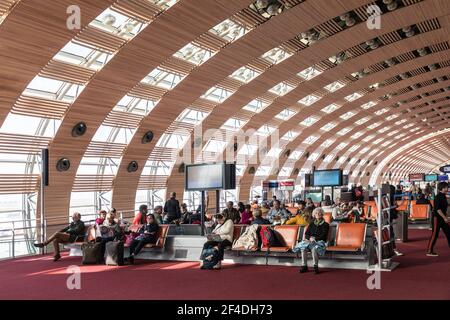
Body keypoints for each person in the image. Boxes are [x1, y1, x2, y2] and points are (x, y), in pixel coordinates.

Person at [295, 208, 329, 274]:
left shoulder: (326, 225)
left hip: (320, 241)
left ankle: (315, 266)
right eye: (316, 213)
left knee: (314, 248)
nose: (318, 214)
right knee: (303, 248)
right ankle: (304, 266)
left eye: (319, 213)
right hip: (310, 241)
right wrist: (310, 238)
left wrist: (315, 239)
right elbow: (307, 233)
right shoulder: (311, 224)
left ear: (322, 214)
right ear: (314, 215)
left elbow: (324, 235)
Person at [426, 182, 450, 256]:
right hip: (437, 218)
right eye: (446, 187)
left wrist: (447, 216)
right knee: (435, 234)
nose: (447, 188)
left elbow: (443, 209)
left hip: (443, 218)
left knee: (449, 233)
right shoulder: (438, 197)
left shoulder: (443, 196)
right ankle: (429, 251)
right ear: (442, 188)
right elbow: (438, 209)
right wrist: (445, 217)